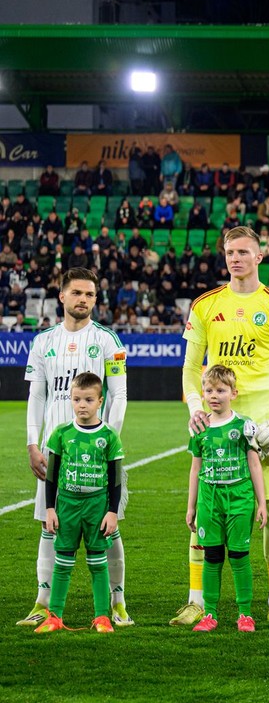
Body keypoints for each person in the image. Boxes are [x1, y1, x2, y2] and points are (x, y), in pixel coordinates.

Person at [175, 226, 269, 627]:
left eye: (244, 252)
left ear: (260, 255)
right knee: (204, 517)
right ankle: (197, 600)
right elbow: (189, 366)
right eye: (231, 251)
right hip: (216, 430)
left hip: (265, 433)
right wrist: (196, 406)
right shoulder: (204, 306)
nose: (236, 258)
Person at [19, 268, 130, 628]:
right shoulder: (42, 342)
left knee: (108, 526)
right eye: (77, 293)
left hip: (99, 451)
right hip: (57, 449)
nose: (83, 299)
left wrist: (105, 442)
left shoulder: (109, 341)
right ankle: (42, 601)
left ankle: (117, 602)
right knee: (48, 524)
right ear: (62, 296)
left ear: (95, 300)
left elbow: (119, 394)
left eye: (90, 294)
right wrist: (33, 442)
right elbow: (37, 395)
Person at [32, 372, 124, 635]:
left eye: (88, 399)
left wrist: (112, 512)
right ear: (70, 400)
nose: (82, 405)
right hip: (67, 505)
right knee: (63, 562)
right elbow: (51, 476)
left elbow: (115, 478)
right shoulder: (61, 433)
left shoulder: (108, 435)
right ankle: (55, 616)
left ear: (100, 401)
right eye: (76, 399)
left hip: (96, 505)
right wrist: (50, 508)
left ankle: (102, 617)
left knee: (98, 562)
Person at [185, 365, 267, 633]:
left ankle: (245, 614)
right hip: (209, 499)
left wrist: (262, 503)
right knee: (212, 555)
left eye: (220, 390)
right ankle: (210, 614)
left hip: (240, 497)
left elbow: (254, 465)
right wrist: (191, 507)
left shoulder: (244, 426)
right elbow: (195, 468)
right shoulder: (199, 428)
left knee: (240, 555)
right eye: (209, 390)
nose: (214, 395)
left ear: (233, 393)